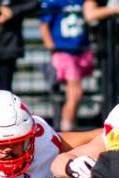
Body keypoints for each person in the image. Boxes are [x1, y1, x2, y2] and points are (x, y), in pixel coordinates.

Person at [40, 0, 97, 131]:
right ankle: (66, 130)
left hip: (80, 50)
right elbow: (44, 26)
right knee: (75, 93)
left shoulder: (80, 2)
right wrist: (53, 50)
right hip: (64, 51)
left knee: (75, 96)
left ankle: (71, 126)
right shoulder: (53, 2)